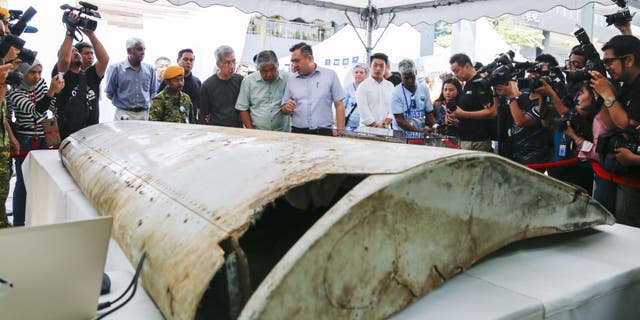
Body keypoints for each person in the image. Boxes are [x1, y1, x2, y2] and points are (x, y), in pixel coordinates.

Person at [589, 35, 640, 226]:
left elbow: (627, 126)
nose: (607, 67)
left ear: (629, 60)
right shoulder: (628, 85)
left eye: (609, 61)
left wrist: (608, 95)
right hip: (621, 173)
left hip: (635, 180)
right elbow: (612, 123)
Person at [7, 60, 64, 227]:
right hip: (24, 140)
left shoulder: (41, 85)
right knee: (23, 183)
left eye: (39, 72)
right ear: (23, 73)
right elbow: (37, 111)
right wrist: (52, 92)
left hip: (44, 137)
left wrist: (55, 92)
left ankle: (39, 219)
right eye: (32, 73)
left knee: (43, 181)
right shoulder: (14, 93)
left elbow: (50, 105)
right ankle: (19, 223)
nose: (37, 77)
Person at [55, 15, 109, 140]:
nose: (90, 56)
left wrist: (91, 34)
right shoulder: (62, 74)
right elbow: (63, 59)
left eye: (91, 53)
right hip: (69, 134)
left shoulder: (91, 74)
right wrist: (70, 31)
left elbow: (104, 59)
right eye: (72, 51)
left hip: (91, 132)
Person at [281, 42, 345, 136]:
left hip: (324, 132)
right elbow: (283, 108)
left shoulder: (330, 75)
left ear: (310, 58)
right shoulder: (291, 80)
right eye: (292, 61)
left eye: (297, 61)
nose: (294, 65)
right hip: (299, 133)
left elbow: (339, 105)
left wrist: (340, 131)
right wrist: (286, 108)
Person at [449, 53, 496, 152]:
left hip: (478, 142)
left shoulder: (481, 84)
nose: (455, 75)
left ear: (467, 66)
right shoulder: (467, 85)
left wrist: (463, 114)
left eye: (457, 71)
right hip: (465, 139)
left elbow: (492, 112)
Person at [235, 50, 290, 132]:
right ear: (257, 69)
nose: (269, 74)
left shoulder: (288, 79)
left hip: (283, 132)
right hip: (258, 132)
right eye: (264, 71)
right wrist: (251, 131)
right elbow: (243, 108)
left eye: (272, 69)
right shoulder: (248, 81)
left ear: (277, 65)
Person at [105, 37, 157, 121]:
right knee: (122, 135)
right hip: (123, 113)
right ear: (129, 51)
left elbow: (153, 92)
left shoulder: (150, 69)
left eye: (144, 49)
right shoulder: (115, 68)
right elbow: (109, 94)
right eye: (139, 49)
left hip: (144, 114)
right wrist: (126, 105)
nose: (143, 52)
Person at [391, 59, 435, 143]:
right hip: (402, 136)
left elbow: (429, 112)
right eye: (406, 78)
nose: (410, 80)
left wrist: (435, 127)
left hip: (420, 135)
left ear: (416, 73)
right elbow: (399, 120)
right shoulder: (396, 93)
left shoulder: (424, 88)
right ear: (400, 76)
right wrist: (419, 133)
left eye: (412, 77)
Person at [200, 45, 243, 127]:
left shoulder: (241, 81)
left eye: (234, 61)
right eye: (227, 63)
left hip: (237, 128)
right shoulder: (207, 85)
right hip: (216, 128)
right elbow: (203, 114)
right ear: (218, 64)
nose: (232, 66)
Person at [159, 49, 201, 122]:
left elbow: (199, 104)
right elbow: (159, 101)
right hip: (168, 124)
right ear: (178, 60)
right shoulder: (168, 80)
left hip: (190, 123)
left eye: (191, 60)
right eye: (185, 59)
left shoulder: (197, 82)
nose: (188, 62)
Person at [356, 52, 395, 128]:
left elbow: (393, 108)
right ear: (370, 66)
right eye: (375, 65)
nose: (378, 68)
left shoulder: (390, 86)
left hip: (386, 128)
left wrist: (385, 124)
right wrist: (375, 125)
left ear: (386, 67)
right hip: (367, 130)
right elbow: (363, 110)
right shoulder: (363, 86)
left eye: (381, 66)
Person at [342, 64, 367, 131]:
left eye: (361, 72)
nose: (358, 74)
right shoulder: (347, 89)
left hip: (364, 125)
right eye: (356, 72)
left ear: (366, 75)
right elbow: (342, 107)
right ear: (353, 74)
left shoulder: (369, 89)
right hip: (348, 125)